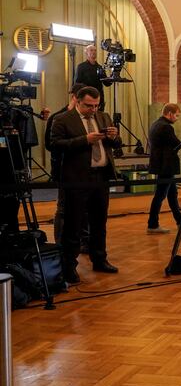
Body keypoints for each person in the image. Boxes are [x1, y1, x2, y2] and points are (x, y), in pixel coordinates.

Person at [50, 86, 122, 283]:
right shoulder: (63, 119)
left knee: (100, 222)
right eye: (89, 106)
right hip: (76, 179)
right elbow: (55, 145)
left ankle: (100, 259)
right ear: (77, 100)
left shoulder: (104, 117)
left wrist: (114, 137)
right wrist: (85, 140)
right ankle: (69, 266)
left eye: (96, 105)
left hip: (101, 177)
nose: (93, 109)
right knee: (73, 224)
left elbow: (116, 145)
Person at [45, 82, 85, 243]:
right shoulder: (58, 117)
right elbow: (50, 145)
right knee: (63, 208)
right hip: (64, 169)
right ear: (75, 98)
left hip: (84, 170)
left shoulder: (89, 118)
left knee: (85, 209)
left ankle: (82, 241)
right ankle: (60, 245)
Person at [146, 103, 181, 234]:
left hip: (161, 164)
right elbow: (176, 143)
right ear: (169, 113)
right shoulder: (166, 127)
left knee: (172, 194)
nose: (177, 118)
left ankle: (180, 220)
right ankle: (152, 224)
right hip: (165, 166)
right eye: (177, 115)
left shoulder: (156, 124)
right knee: (160, 195)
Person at [74, 44, 109, 111]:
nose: (94, 52)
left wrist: (114, 74)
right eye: (91, 50)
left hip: (98, 100)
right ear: (86, 52)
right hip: (86, 99)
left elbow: (107, 83)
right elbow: (77, 84)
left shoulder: (100, 67)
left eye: (95, 50)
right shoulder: (81, 67)